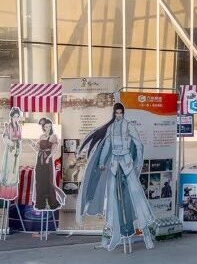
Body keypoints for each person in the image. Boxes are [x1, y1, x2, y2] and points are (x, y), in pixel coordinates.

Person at [76, 103, 158, 250]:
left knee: (136, 195)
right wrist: (101, 162)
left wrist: (138, 163)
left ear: (123, 113)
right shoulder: (112, 128)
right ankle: (111, 235)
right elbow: (107, 145)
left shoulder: (129, 126)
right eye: (117, 113)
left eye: (120, 113)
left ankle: (146, 233)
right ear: (114, 113)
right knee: (112, 200)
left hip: (127, 163)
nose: (119, 115)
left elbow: (139, 144)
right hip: (114, 164)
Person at [34, 119, 64, 211]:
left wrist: (48, 158)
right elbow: (37, 148)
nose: (48, 128)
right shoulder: (41, 136)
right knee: (39, 180)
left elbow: (54, 149)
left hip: (48, 159)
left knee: (48, 180)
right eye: (46, 126)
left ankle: (52, 203)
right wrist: (34, 145)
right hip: (40, 159)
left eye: (49, 126)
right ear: (43, 127)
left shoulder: (54, 136)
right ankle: (40, 204)